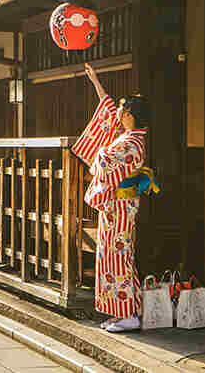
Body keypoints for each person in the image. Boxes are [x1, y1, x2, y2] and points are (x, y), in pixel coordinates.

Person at [72, 63, 151, 333]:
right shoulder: (130, 137)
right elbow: (107, 108)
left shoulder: (131, 143)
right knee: (113, 257)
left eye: (121, 108)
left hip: (120, 205)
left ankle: (128, 314)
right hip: (116, 206)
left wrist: (100, 159)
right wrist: (96, 82)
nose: (117, 112)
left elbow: (103, 163)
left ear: (129, 114)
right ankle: (124, 312)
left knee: (118, 258)